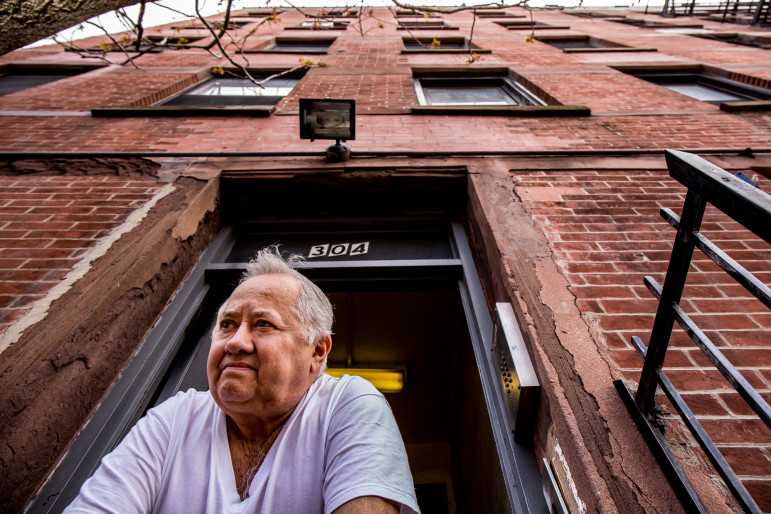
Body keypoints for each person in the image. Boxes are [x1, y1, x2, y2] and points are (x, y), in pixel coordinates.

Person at [65, 247, 420, 514]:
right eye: (227, 325)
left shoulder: (348, 404)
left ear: (317, 351)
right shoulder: (173, 419)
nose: (235, 342)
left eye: (263, 324)